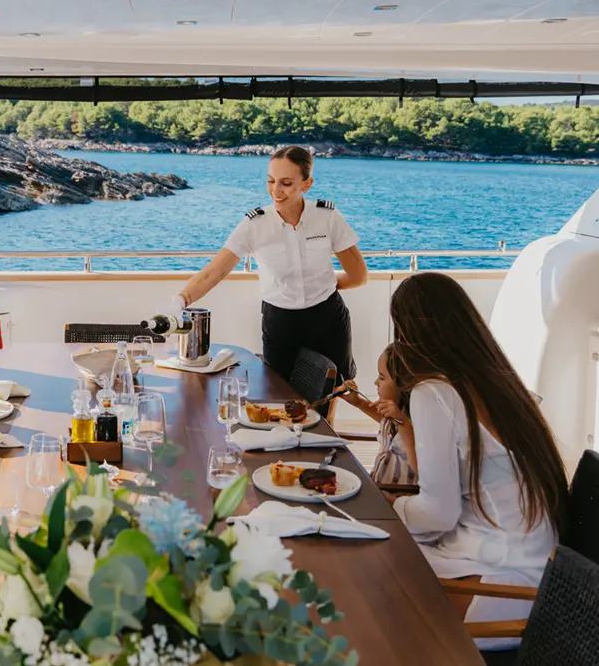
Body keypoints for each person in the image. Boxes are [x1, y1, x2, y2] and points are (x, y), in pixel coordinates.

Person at [387, 272, 568, 647]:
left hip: (501, 588)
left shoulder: (434, 392)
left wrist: (392, 507)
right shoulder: (503, 384)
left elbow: (438, 514)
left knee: (365, 588)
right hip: (539, 580)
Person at [167, 145, 367, 389]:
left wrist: (324, 285)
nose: (276, 190)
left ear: (307, 184)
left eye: (286, 183)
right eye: (271, 181)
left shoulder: (327, 217)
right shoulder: (255, 224)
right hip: (281, 323)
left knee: (334, 390)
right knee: (280, 394)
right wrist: (180, 301)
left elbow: (358, 276)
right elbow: (214, 272)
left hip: (327, 319)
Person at [337, 343, 418, 486]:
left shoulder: (414, 423)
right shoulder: (399, 413)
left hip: (395, 495)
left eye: (381, 377)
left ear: (403, 383)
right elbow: (386, 420)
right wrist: (358, 402)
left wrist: (403, 423)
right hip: (377, 485)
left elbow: (420, 468)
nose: (376, 382)